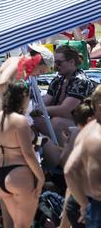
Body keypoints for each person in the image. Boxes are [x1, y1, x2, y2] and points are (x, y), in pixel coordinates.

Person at [0, 81, 45, 228]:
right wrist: (41, 177)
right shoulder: (20, 121)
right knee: (22, 226)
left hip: (2, 175)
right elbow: (28, 154)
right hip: (20, 174)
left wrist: (8, 149)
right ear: (23, 97)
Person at [36, 44, 96, 141]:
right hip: (62, 123)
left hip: (84, 125)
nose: (56, 67)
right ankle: (38, 145)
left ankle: (62, 151)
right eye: (55, 63)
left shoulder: (81, 81)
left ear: (72, 62)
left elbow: (64, 110)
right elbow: (45, 101)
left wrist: (39, 110)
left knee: (56, 121)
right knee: (35, 120)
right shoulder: (58, 79)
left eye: (59, 63)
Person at [64, 85, 101, 227]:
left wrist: (84, 204)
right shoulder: (96, 135)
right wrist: (85, 205)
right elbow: (69, 171)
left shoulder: (86, 131)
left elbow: (69, 170)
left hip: (91, 204)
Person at [0, 44, 54, 113]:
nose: (39, 75)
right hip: (3, 117)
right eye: (41, 71)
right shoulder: (17, 62)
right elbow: (3, 82)